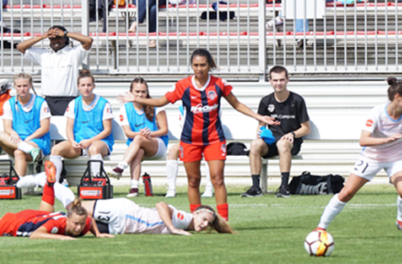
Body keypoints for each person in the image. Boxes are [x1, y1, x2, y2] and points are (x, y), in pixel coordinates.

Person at [120, 48, 276, 221]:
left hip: (214, 139)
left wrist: (259, 117)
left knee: (217, 179)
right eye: (195, 65)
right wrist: (136, 99)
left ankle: (223, 221)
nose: (199, 69)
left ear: (210, 65)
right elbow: (160, 101)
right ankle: (197, 219)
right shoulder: (182, 86)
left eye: (203, 65)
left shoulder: (219, 84)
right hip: (190, 140)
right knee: (193, 180)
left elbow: (237, 104)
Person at [316, 78, 402, 238]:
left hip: (398, 157)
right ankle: (321, 228)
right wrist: (385, 139)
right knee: (346, 193)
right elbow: (363, 140)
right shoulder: (377, 113)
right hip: (372, 157)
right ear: (397, 97)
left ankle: (401, 221)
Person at [49, 181, 233, 236]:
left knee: (74, 227)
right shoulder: (185, 219)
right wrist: (172, 228)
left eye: (207, 224)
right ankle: (48, 181)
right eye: (203, 219)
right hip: (123, 213)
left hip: (122, 226)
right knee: (74, 208)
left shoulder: (187, 224)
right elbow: (162, 205)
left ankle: (42, 219)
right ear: (196, 213)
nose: (203, 224)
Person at [0, 162, 100, 240]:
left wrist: (97, 234)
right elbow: (35, 235)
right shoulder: (56, 225)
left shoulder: (83, 222)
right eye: (76, 223)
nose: (79, 228)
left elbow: (90, 219)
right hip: (19, 222)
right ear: (67, 219)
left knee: (45, 215)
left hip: (40, 216)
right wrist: (62, 238)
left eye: (81, 224)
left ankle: (49, 185)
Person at [242, 66, 310, 199]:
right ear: (270, 81)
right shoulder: (265, 101)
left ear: (288, 80)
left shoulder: (297, 100)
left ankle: (284, 187)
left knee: (283, 144)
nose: (278, 83)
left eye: (282, 80)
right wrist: (261, 133)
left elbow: (306, 128)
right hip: (271, 143)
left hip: (290, 143)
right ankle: (256, 188)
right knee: (255, 144)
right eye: (275, 80)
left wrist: (293, 134)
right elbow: (261, 126)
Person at [47, 69, 114, 179]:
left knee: (94, 149)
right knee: (55, 149)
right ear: (78, 87)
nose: (86, 88)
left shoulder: (103, 103)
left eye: (89, 85)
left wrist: (90, 141)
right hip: (79, 143)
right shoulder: (74, 103)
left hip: (99, 142)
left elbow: (107, 130)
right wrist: (72, 141)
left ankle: (97, 180)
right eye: (83, 85)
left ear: (94, 86)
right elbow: (69, 128)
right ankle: (53, 183)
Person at [110, 77, 169, 197]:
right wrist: (142, 135)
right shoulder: (125, 109)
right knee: (138, 150)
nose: (140, 94)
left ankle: (121, 167)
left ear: (147, 92)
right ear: (131, 92)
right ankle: (134, 188)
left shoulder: (156, 105)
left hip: (157, 145)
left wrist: (149, 134)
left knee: (138, 139)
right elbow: (128, 133)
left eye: (143, 91)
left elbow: (164, 130)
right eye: (137, 91)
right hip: (136, 146)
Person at [16, 25, 94, 115]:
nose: (55, 40)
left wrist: (66, 33)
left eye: (59, 37)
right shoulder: (44, 54)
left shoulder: (73, 53)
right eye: (52, 38)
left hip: (68, 100)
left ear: (66, 39)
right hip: (47, 101)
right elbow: (20, 47)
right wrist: (44, 36)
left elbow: (89, 41)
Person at [0, 72, 52, 181]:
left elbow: (45, 128)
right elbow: (7, 127)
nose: (22, 89)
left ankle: (18, 186)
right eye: (19, 86)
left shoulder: (40, 102)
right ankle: (27, 150)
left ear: (30, 85)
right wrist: (13, 132)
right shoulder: (9, 103)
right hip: (17, 142)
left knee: (19, 152)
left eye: (25, 86)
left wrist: (28, 139)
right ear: (15, 86)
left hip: (37, 142)